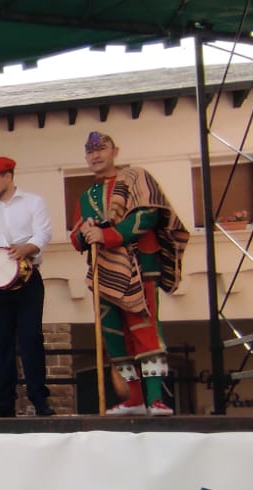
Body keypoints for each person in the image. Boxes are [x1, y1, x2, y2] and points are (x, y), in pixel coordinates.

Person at [71, 132, 190, 416]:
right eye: (89, 151)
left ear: (115, 150)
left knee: (144, 331)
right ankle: (134, 398)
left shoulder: (137, 177)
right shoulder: (87, 196)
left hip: (139, 266)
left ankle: (155, 398)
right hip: (103, 273)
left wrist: (107, 234)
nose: (95, 155)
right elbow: (76, 236)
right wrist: (86, 235)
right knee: (115, 336)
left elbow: (147, 215)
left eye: (101, 149)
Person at [0, 157, 55, 418]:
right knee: (1, 342)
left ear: (8, 176)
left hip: (28, 280)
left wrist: (27, 247)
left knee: (31, 338)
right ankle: (5, 401)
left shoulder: (33, 202)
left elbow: (44, 232)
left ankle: (39, 399)